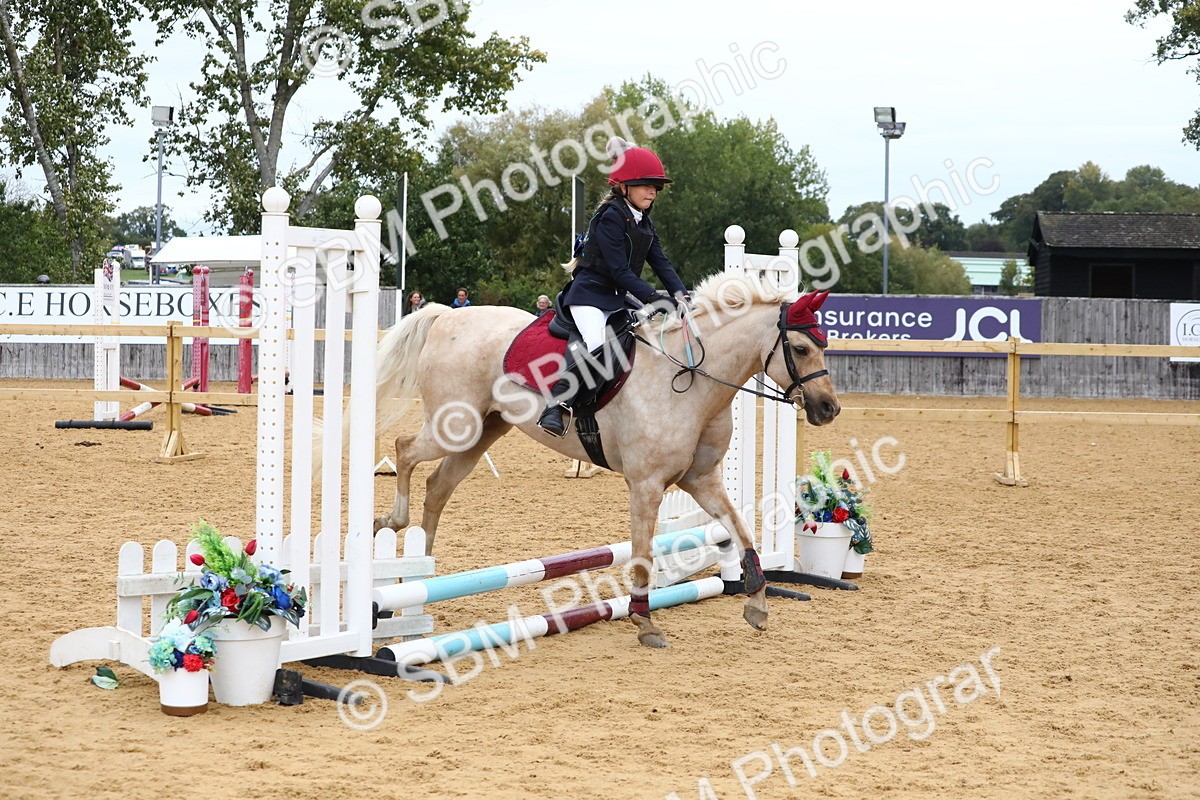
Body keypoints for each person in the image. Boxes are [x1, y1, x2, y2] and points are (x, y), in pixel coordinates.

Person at [537, 136, 691, 437]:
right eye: (646, 185)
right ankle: (556, 405)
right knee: (597, 344)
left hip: (617, 297)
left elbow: (662, 263)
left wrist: (681, 295)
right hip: (589, 295)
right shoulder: (610, 218)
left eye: (655, 186)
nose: (652, 191)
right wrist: (653, 296)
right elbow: (619, 271)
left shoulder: (644, 222)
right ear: (624, 187)